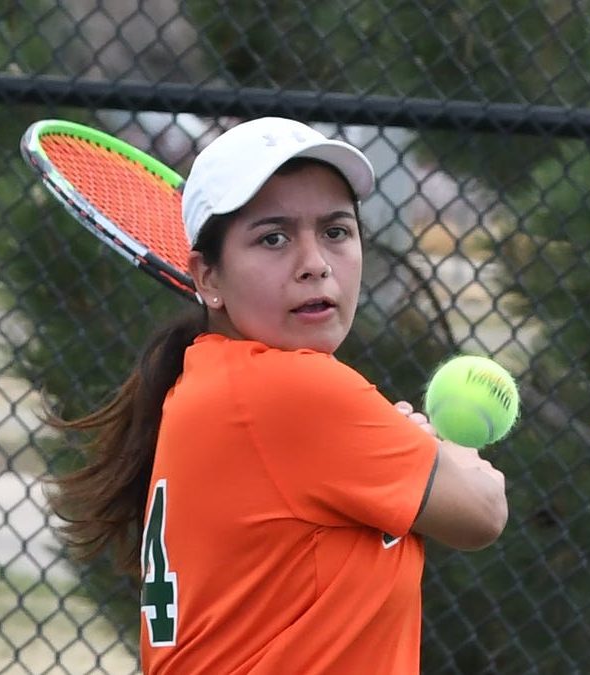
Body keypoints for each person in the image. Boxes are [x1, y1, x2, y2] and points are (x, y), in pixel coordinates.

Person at [48, 117, 508, 674]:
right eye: (273, 237)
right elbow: (482, 512)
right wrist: (447, 444)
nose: (314, 263)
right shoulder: (289, 389)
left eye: (336, 232)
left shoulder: (213, 379)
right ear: (208, 278)